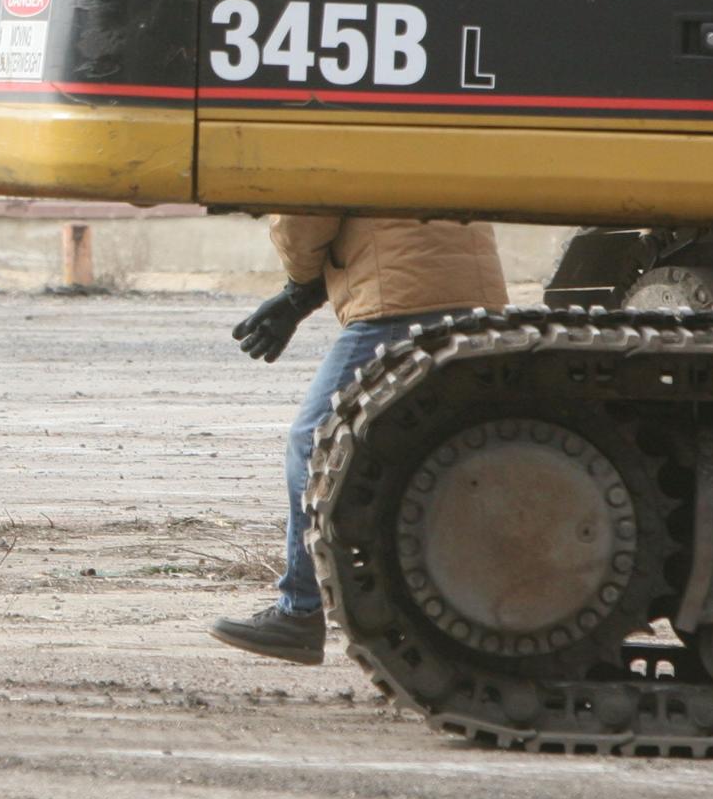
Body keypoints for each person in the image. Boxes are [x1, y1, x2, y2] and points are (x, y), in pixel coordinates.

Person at [209, 215, 507, 665]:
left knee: (314, 442)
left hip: (399, 298)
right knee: (449, 453)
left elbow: (304, 216)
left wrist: (298, 289)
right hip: (473, 291)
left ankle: (299, 612)